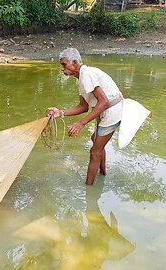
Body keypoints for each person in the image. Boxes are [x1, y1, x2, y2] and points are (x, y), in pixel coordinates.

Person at [46, 48, 124, 185]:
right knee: (95, 140)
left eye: (64, 65)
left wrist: (81, 124)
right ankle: (103, 174)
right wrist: (61, 112)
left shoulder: (87, 75)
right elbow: (83, 107)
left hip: (112, 110)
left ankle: (89, 188)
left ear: (75, 62)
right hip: (105, 110)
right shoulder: (80, 79)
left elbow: (104, 102)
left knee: (95, 152)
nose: (62, 69)